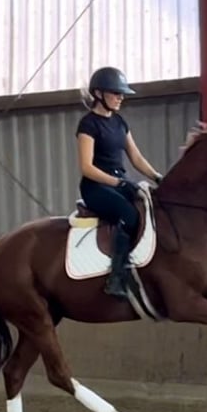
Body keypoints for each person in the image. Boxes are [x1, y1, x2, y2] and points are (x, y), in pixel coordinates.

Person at [75, 66, 163, 298]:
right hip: (96, 186)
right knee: (129, 215)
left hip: (119, 181)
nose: (121, 97)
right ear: (98, 94)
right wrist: (118, 183)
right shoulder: (88, 125)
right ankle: (116, 278)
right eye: (116, 93)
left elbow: (136, 157)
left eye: (121, 93)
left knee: (151, 209)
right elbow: (86, 167)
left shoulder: (120, 122)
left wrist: (157, 177)